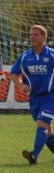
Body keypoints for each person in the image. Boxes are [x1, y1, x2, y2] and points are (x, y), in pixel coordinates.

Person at [9, 25, 54, 165]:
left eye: (35, 34)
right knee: (47, 129)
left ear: (44, 37)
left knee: (42, 123)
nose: (32, 37)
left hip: (50, 96)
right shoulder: (24, 57)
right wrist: (21, 85)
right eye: (30, 35)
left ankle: (34, 155)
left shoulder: (52, 55)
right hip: (34, 98)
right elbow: (13, 74)